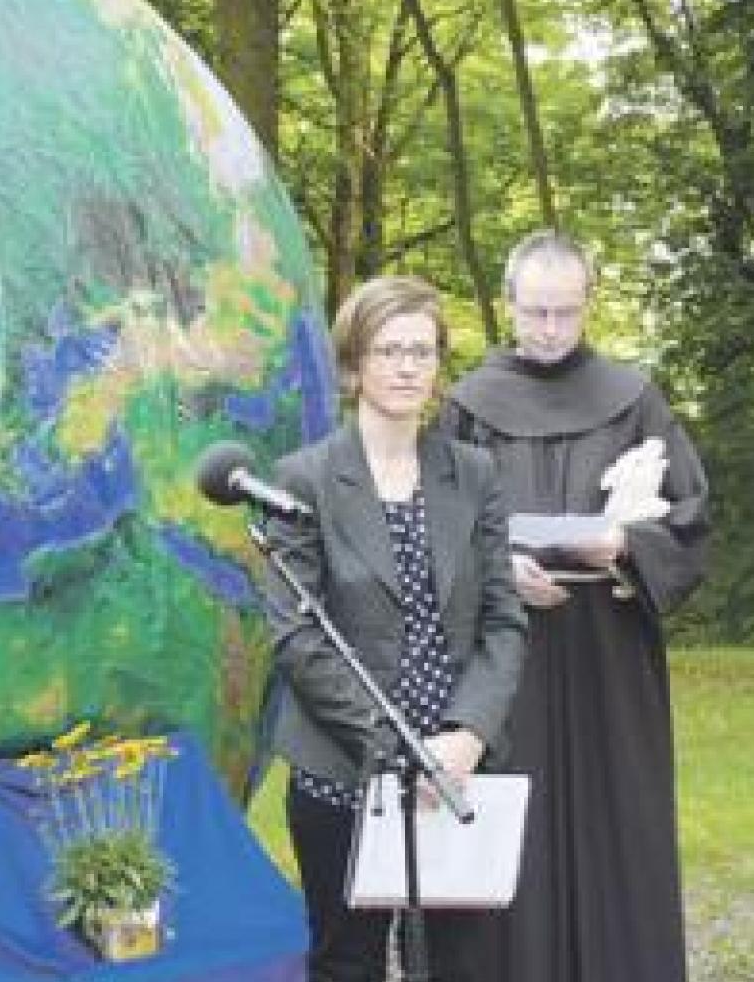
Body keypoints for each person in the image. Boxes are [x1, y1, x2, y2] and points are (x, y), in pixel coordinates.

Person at [434, 231, 710, 982]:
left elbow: (690, 515)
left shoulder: (634, 401)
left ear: (588, 303)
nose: (551, 328)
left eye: (565, 311)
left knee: (617, 821)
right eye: (536, 312)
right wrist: (496, 571)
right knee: (511, 832)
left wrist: (625, 543)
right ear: (509, 304)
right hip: (506, 654)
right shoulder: (468, 406)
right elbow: (436, 525)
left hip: (608, 647)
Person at [261, 275, 529, 982]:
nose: (408, 367)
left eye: (422, 351)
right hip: (344, 770)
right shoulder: (303, 481)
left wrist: (467, 736)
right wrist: (398, 750)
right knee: (348, 964)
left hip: (458, 768)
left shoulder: (473, 474)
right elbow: (297, 640)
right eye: (389, 351)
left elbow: (504, 620)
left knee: (461, 965)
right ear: (354, 363)